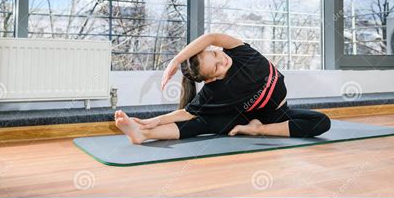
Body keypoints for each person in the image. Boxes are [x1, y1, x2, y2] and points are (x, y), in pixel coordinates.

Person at [114, 33, 331, 144]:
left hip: (277, 115)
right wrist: (157, 120)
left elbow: (211, 37)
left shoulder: (241, 54)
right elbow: (188, 113)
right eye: (215, 67)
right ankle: (142, 135)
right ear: (209, 80)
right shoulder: (214, 92)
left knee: (322, 122)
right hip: (245, 117)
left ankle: (258, 130)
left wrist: (176, 60)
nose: (222, 60)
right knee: (202, 122)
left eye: (216, 54)